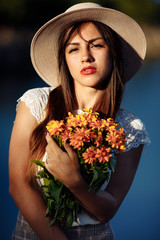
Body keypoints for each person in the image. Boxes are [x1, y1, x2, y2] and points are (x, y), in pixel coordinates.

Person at [9, 2, 150, 240]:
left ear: (113, 52)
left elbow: (107, 210)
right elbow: (18, 186)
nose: (86, 56)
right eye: (73, 49)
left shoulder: (129, 128)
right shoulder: (36, 103)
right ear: (64, 60)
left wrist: (76, 183)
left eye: (96, 45)